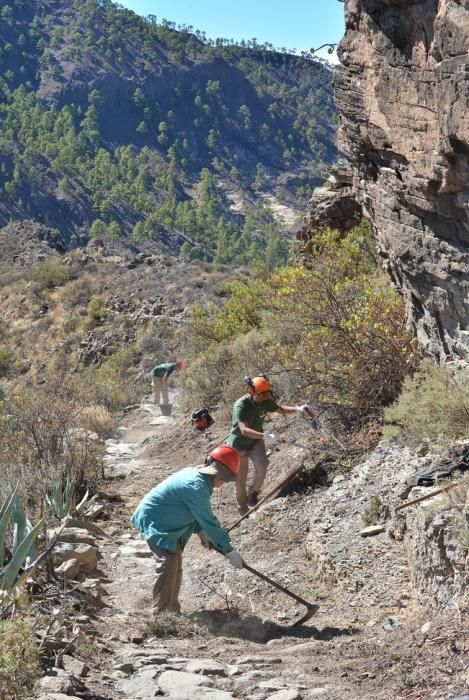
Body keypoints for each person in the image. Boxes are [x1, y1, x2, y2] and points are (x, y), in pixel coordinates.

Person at [131, 444, 244, 614]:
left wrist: (201, 531)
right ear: (216, 473)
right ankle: (160, 615)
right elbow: (209, 520)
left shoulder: (200, 480)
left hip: (169, 522)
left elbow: (193, 511)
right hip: (156, 521)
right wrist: (229, 550)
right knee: (169, 563)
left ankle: (172, 611)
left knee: (175, 563)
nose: (222, 483)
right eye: (223, 478)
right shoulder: (196, 486)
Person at [226, 375, 314, 515]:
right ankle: (242, 506)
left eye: (266, 394)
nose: (264, 398)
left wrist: (298, 409)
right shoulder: (241, 405)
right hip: (239, 445)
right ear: (252, 393)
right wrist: (265, 436)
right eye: (261, 395)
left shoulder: (265, 400)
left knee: (262, 466)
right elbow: (243, 430)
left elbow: (280, 410)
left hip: (255, 441)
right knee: (240, 479)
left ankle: (253, 493)